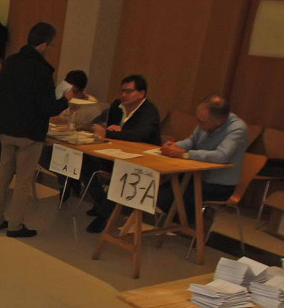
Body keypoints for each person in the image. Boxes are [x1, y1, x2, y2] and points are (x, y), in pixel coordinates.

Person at [0, 22, 72, 239]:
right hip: (29, 133)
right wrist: (65, 101)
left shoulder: (10, 62)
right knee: (23, 181)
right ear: (44, 45)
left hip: (6, 129)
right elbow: (46, 108)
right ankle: (15, 225)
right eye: (51, 45)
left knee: (3, 175)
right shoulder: (42, 70)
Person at [84, 74, 162, 232]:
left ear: (142, 93)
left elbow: (139, 135)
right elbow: (99, 123)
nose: (123, 95)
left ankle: (103, 216)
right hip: (115, 153)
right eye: (122, 91)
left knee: (122, 172)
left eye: (129, 91)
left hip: (142, 161)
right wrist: (105, 129)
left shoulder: (149, 111)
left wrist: (109, 133)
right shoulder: (117, 106)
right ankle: (100, 200)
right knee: (85, 160)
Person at [155, 94, 247, 223]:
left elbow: (221, 156)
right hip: (196, 175)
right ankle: (182, 223)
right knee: (158, 191)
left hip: (218, 184)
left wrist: (184, 154)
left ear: (219, 122)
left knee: (168, 197)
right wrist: (173, 146)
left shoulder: (237, 129)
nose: (198, 124)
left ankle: (189, 225)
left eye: (202, 122)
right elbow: (191, 141)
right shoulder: (206, 121)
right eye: (197, 119)